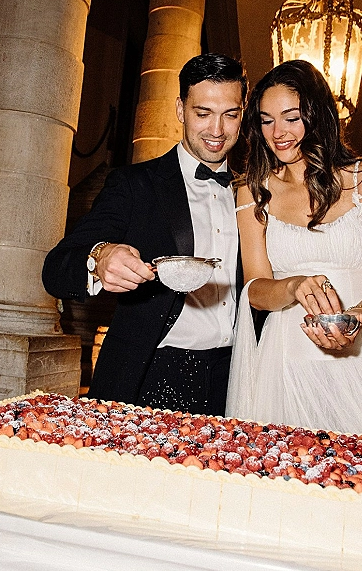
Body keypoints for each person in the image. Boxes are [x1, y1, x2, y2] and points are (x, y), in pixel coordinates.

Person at [226, 59, 362, 445]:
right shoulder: (252, 190)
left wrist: (356, 318)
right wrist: (292, 286)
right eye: (266, 120)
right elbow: (256, 289)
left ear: (317, 114)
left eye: (291, 117)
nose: (277, 133)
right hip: (284, 361)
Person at [42, 53, 247, 415]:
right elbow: (56, 268)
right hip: (149, 373)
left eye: (229, 115)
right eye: (203, 113)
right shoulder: (135, 185)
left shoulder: (255, 190)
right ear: (181, 109)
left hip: (236, 378)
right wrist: (99, 257)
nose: (217, 130)